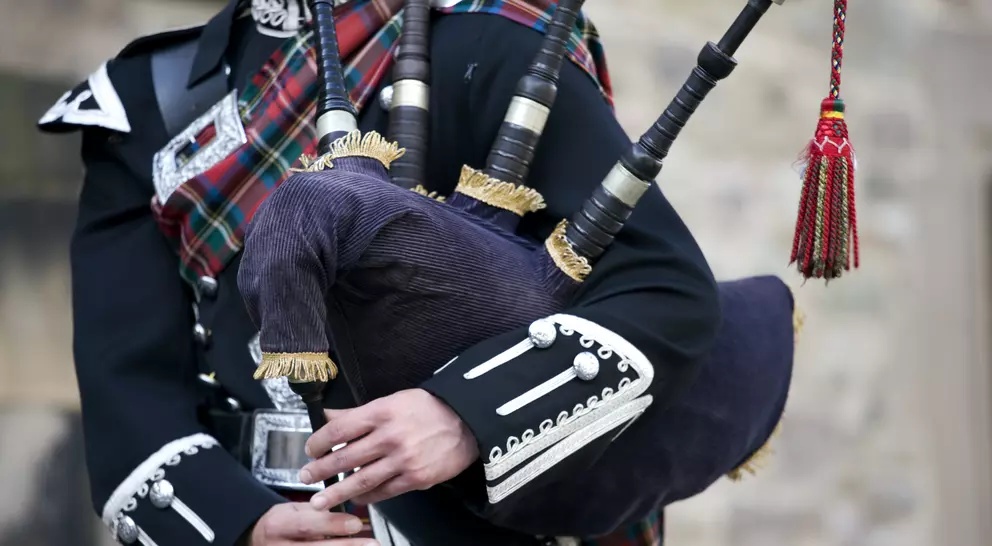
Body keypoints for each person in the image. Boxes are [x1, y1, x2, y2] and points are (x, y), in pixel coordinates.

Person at [37, 0, 706, 544]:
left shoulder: (490, 46)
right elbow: (127, 383)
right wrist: (245, 526)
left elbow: (664, 294)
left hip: (466, 519)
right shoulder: (142, 102)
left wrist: (464, 416)